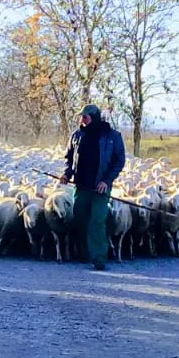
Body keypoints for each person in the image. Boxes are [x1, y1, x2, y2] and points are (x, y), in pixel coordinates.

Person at [61, 104, 126, 271]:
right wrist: (67, 174)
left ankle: (99, 258)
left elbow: (119, 161)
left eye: (85, 117)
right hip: (81, 186)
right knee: (80, 218)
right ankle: (84, 253)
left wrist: (106, 180)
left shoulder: (112, 136)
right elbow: (69, 158)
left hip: (100, 187)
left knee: (97, 220)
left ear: (93, 117)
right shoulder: (77, 135)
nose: (81, 120)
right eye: (81, 117)